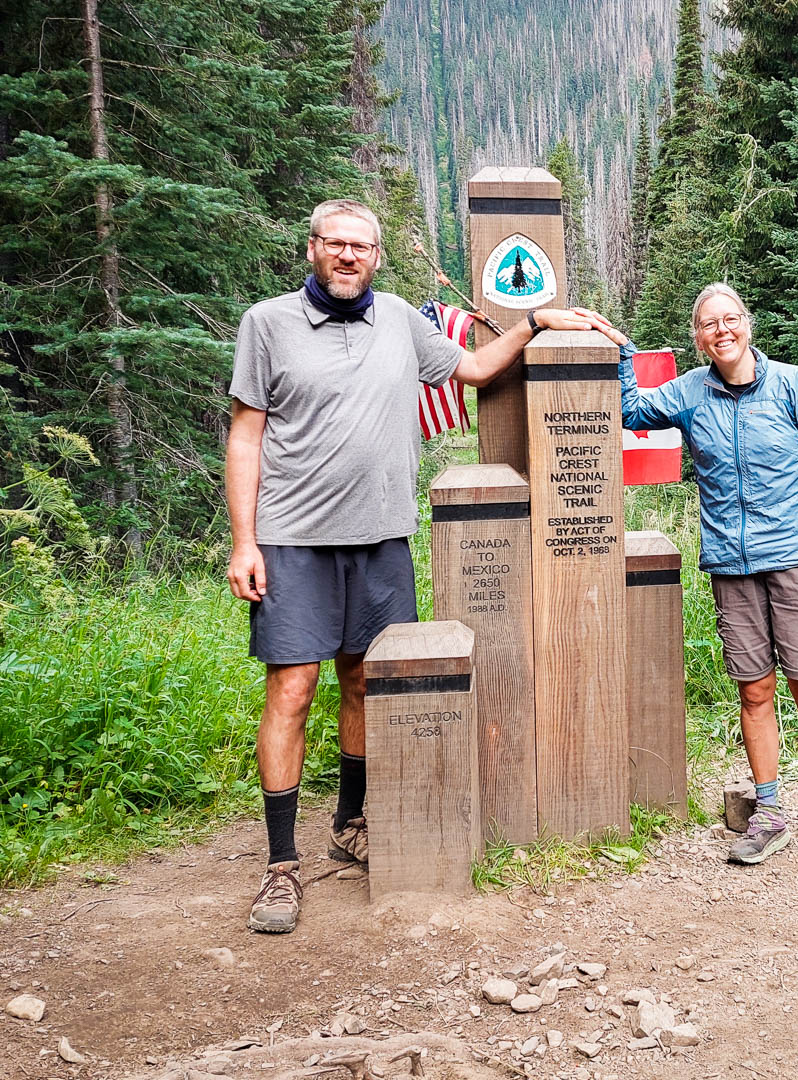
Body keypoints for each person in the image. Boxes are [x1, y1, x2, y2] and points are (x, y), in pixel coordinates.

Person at [226, 198, 615, 932]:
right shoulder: (267, 324)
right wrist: (244, 541)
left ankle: (350, 821)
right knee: (292, 688)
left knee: (364, 681)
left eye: (361, 246)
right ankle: (281, 866)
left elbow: (469, 367)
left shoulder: (402, 319)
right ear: (311, 248)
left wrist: (536, 323)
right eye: (335, 244)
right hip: (291, 539)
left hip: (381, 537)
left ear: (377, 255)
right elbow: (247, 436)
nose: (348, 256)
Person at [610, 283, 798, 872]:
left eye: (730, 319)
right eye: (708, 324)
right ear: (697, 337)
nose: (721, 331)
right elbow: (630, 411)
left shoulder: (796, 385)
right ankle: (770, 813)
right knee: (754, 689)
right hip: (731, 563)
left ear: (747, 324)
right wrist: (623, 352)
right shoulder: (690, 392)